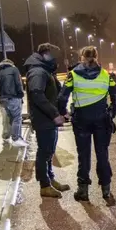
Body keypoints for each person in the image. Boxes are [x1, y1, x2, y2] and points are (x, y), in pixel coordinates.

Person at [58, 46, 116, 204]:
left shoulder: (73, 75)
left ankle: (83, 190)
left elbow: (62, 98)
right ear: (97, 57)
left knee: (83, 155)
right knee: (102, 155)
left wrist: (64, 113)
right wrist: (111, 113)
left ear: (82, 57)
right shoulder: (107, 75)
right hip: (102, 119)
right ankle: (106, 189)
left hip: (81, 120)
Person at [24, 43, 70, 198]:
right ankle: (44, 185)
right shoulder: (38, 71)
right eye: (54, 57)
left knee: (49, 151)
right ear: (46, 54)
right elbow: (37, 94)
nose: (56, 61)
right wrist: (54, 114)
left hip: (48, 119)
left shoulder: (44, 70)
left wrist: (62, 112)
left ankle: (50, 179)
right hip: (44, 119)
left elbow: (51, 94)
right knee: (44, 152)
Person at [0, 58, 27, 147]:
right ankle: (16, 138)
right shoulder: (14, 70)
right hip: (13, 97)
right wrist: (21, 94)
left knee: (8, 119)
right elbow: (18, 83)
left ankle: (6, 136)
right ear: (11, 64)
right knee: (17, 118)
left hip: (2, 99)